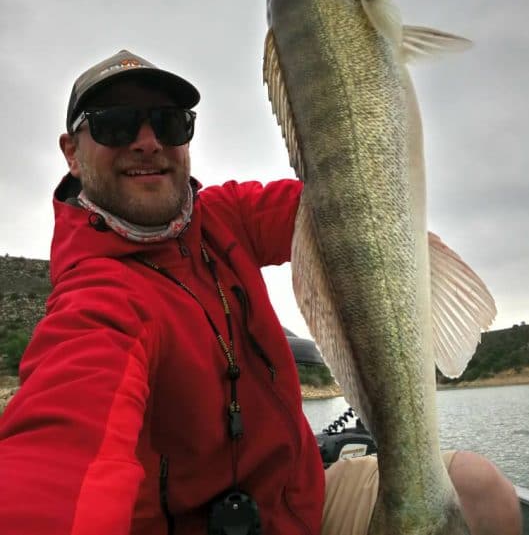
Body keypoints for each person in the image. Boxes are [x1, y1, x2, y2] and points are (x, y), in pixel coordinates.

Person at [0, 49, 521, 535]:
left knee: (479, 492)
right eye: (115, 124)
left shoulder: (224, 218)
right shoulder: (98, 302)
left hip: (299, 506)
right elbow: (62, 456)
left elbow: (341, 206)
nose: (147, 141)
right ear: (72, 152)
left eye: (168, 121)